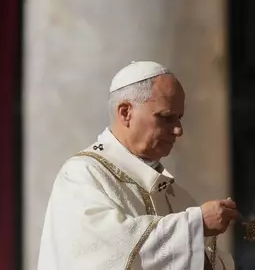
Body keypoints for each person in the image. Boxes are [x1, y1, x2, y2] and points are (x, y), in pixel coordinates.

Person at [37, 61, 238, 270]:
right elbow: (104, 253)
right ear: (125, 113)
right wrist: (195, 225)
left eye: (179, 118)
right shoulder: (83, 175)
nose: (178, 130)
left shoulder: (176, 196)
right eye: (166, 117)